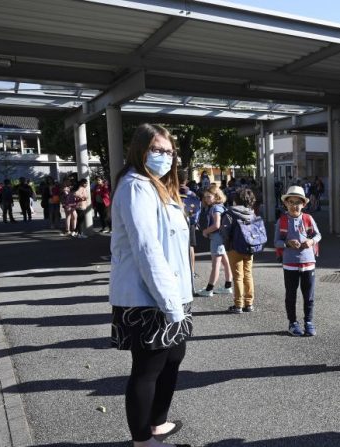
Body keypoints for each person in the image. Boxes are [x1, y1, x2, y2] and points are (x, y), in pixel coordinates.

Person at [109, 123, 192, 447]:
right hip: (148, 297)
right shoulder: (135, 186)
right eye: (157, 150)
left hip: (171, 292)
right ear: (140, 150)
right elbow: (147, 248)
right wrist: (170, 303)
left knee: (173, 357)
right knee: (148, 368)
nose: (165, 156)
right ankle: (143, 441)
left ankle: (157, 423)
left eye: (169, 151)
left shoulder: (158, 186)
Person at [275, 186, 322, 337]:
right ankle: (292, 322)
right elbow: (276, 241)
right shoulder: (281, 220)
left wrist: (311, 241)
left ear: (303, 204)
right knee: (291, 295)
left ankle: (309, 322)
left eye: (298, 202)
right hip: (289, 263)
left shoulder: (308, 218)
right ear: (286, 204)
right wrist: (286, 244)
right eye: (291, 202)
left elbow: (318, 235)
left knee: (309, 295)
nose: (294, 205)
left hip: (308, 262)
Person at [223, 188, 259, 314]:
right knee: (248, 274)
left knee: (238, 276)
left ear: (236, 199)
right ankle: (249, 303)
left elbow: (225, 231)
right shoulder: (252, 213)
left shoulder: (230, 213)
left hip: (235, 247)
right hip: (249, 247)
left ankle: (238, 304)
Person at [197, 184, 233, 297]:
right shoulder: (221, 206)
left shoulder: (215, 208)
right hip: (221, 237)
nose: (206, 199)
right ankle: (228, 286)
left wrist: (206, 231)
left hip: (216, 237)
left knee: (216, 265)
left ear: (216, 196)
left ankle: (209, 289)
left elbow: (217, 225)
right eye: (205, 197)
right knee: (226, 262)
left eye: (209, 196)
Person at [178, 170, 201, 280]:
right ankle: (191, 271)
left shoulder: (170, 191)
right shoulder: (192, 194)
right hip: (189, 222)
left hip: (175, 222)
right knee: (190, 246)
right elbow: (198, 209)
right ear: (186, 180)